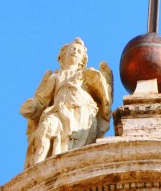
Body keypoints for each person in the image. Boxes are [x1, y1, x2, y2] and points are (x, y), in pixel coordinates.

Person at [20, 38, 113, 166]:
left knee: (74, 147)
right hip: (59, 110)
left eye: (79, 51)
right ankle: (39, 166)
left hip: (82, 112)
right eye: (72, 49)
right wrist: (32, 107)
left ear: (82, 59)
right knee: (46, 128)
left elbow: (103, 94)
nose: (75, 52)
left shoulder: (86, 74)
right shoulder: (55, 77)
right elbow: (42, 100)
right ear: (63, 55)